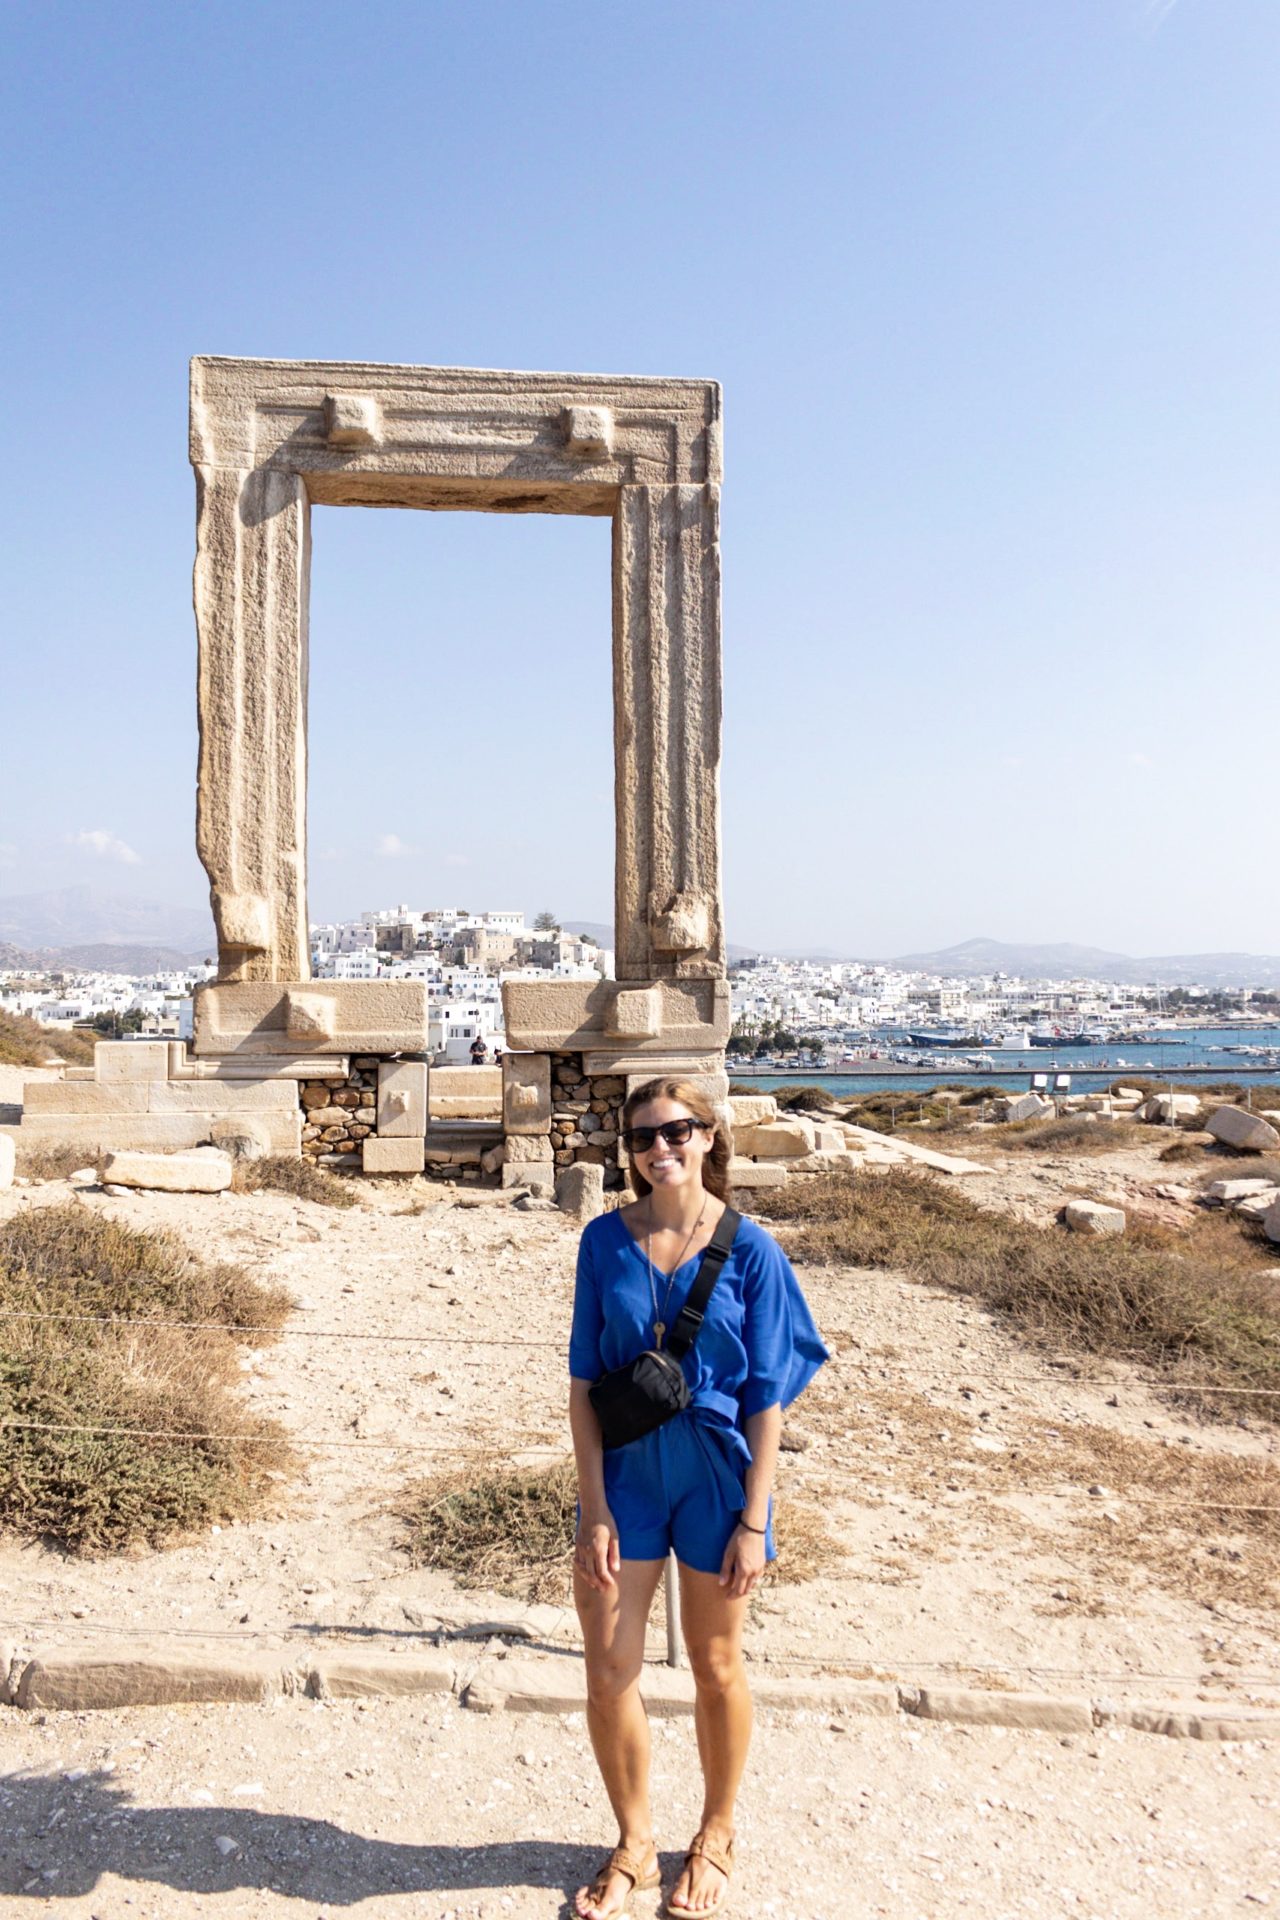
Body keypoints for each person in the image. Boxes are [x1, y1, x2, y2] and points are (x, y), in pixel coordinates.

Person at [568, 1077, 828, 1919]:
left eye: (677, 1132)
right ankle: (636, 1844)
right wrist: (594, 1507)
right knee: (609, 1670)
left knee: (716, 1666)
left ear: (709, 1138)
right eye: (643, 1138)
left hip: (718, 1477)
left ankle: (715, 1835)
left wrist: (756, 1520)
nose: (660, 1149)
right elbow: (581, 1384)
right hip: (627, 1477)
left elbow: (766, 1397)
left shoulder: (752, 1250)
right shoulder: (602, 1241)